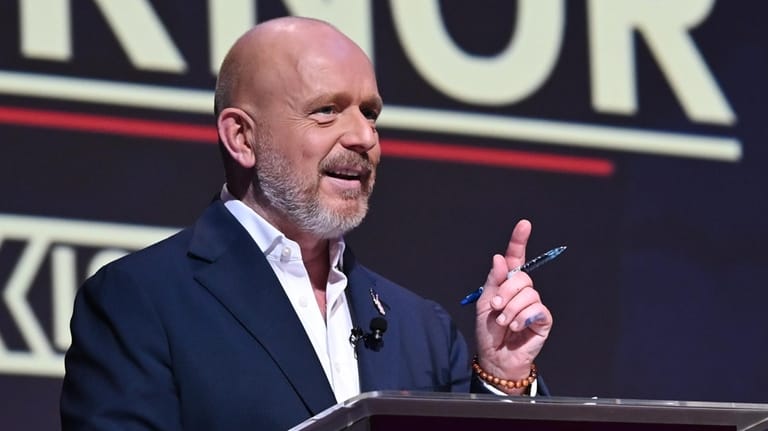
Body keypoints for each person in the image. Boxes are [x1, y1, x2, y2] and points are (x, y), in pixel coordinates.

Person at [60, 16, 553, 431]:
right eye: (327, 111)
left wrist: (501, 378)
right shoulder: (141, 301)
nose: (363, 136)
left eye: (371, 113)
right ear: (242, 138)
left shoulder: (421, 327)